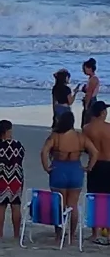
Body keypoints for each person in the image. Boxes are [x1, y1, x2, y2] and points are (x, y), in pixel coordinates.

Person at [41, 110, 98, 243]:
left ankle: (59, 235)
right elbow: (94, 152)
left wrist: (46, 168)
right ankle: (72, 236)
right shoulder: (80, 137)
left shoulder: (55, 136)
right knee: (73, 205)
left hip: (59, 170)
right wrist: (89, 167)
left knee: (58, 204)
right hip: (75, 170)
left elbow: (44, 152)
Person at [0, 120, 25, 240]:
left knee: (0, 205)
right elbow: (21, 157)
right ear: (8, 131)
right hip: (15, 178)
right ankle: (16, 234)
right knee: (15, 206)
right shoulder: (17, 145)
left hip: (0, 178)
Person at [82, 101, 110, 244]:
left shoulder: (87, 128)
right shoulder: (109, 128)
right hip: (109, 163)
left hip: (96, 165)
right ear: (103, 113)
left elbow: (87, 149)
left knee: (94, 197)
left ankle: (95, 233)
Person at [81, 58, 100, 128]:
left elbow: (89, 93)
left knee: (87, 121)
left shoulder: (93, 79)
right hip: (92, 100)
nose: (83, 70)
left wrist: (86, 105)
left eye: (84, 68)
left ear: (89, 68)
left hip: (91, 101)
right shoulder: (91, 78)